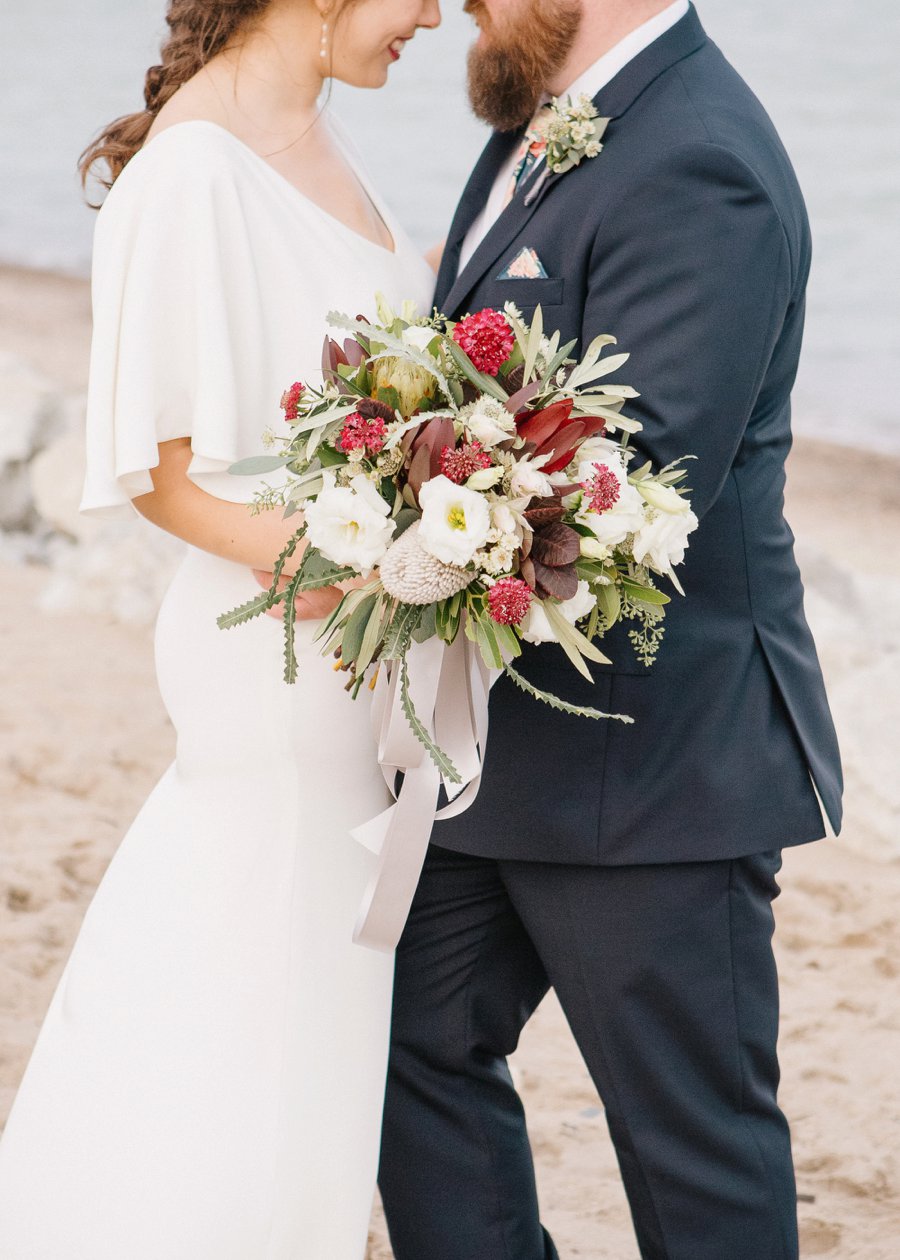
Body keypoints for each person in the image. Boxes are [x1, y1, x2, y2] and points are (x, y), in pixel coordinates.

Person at [377, 3, 843, 1258]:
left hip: (655, 770)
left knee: (690, 1150)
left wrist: (397, 529)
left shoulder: (702, 159)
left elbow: (630, 479)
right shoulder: (548, 119)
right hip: (499, 751)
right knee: (403, 1053)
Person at [0, 1, 438, 1256]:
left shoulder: (323, 142)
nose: (425, 13)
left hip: (359, 656)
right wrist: (359, 566)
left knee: (306, 999)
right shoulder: (194, 170)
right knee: (253, 978)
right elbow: (161, 471)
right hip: (280, 655)